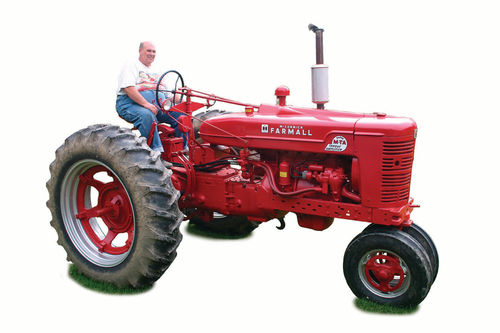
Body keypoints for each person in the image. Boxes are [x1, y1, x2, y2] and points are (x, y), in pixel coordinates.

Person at [116, 41, 186, 152]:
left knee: (181, 115)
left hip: (158, 106)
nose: (151, 54)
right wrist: (146, 104)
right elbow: (128, 88)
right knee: (147, 115)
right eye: (148, 50)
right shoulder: (131, 65)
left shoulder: (158, 70)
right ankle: (156, 152)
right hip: (130, 104)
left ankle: (180, 150)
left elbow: (168, 94)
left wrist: (178, 95)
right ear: (140, 51)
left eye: (154, 51)